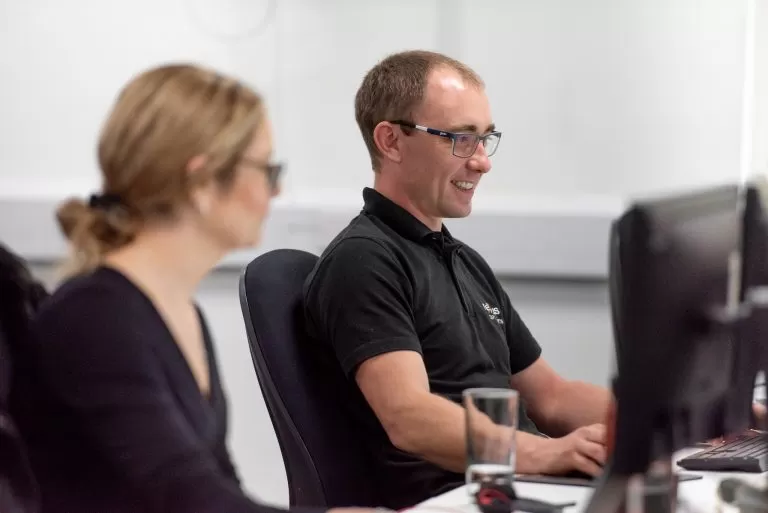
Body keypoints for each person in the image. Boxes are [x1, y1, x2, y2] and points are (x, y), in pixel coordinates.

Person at [8, 64, 377, 513]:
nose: (274, 192)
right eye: (267, 169)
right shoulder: (95, 319)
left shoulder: (178, 311)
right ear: (201, 183)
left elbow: (217, 483)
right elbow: (188, 497)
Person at [302, 50, 614, 510]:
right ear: (390, 141)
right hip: (453, 498)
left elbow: (551, 396)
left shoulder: (462, 261)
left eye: (486, 139)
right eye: (461, 139)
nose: (482, 162)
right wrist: (546, 452)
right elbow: (410, 416)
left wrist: (668, 422)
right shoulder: (364, 260)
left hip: (517, 488)